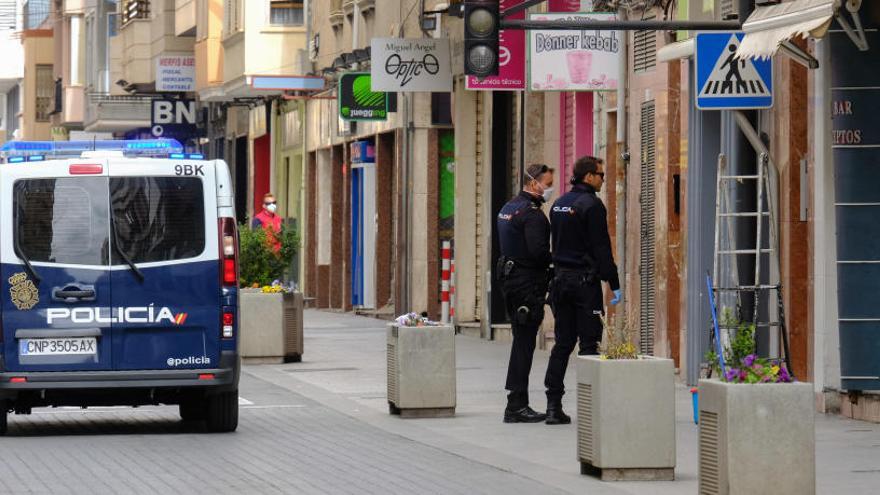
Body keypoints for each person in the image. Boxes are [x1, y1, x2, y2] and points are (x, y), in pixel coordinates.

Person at [543, 156, 621, 425]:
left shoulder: (559, 204)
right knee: (590, 345)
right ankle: (590, 409)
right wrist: (615, 282)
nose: (603, 179)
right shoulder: (592, 205)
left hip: (561, 282)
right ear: (589, 176)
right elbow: (601, 249)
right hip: (585, 284)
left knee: (563, 344)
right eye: (601, 175)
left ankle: (553, 405)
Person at [496, 163, 555, 423]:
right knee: (524, 343)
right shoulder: (533, 215)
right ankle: (516, 405)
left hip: (510, 280)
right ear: (534, 184)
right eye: (548, 183)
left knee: (521, 341)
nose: (550, 188)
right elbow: (539, 253)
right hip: (527, 285)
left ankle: (517, 402)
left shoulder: (508, 208)